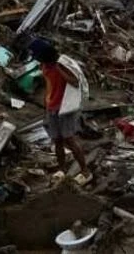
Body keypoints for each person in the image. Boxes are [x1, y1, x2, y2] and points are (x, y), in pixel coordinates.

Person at [34, 42, 89, 177]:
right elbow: (49, 84)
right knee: (57, 140)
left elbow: (75, 82)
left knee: (69, 139)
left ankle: (84, 169)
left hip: (65, 106)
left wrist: (59, 69)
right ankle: (62, 169)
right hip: (52, 105)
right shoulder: (44, 66)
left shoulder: (62, 65)